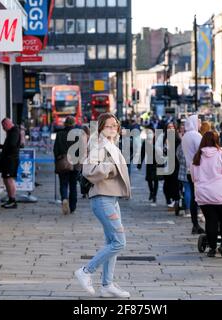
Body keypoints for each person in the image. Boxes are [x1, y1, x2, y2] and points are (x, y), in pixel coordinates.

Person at [75, 113, 131, 298]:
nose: (113, 128)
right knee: (119, 242)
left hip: (111, 199)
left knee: (112, 242)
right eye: (108, 126)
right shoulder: (97, 145)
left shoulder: (111, 145)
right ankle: (85, 271)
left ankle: (107, 285)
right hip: (102, 199)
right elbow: (88, 170)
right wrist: (108, 166)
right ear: (100, 128)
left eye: (115, 125)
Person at [191, 131, 222, 258]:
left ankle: (212, 248)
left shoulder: (197, 157)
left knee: (210, 221)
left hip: (204, 195)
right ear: (217, 141)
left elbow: (194, 178)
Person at [182, 115, 205, 234]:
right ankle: (197, 224)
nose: (200, 125)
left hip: (189, 170)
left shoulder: (185, 135)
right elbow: (202, 151)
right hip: (198, 170)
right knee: (200, 197)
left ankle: (195, 223)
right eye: (199, 122)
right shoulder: (196, 135)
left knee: (193, 198)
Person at [0, 118, 21, 209]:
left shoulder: (14, 132)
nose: (3, 129)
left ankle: (12, 200)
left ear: (7, 124)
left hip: (11, 160)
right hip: (9, 159)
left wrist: (3, 149)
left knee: (9, 179)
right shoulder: (12, 132)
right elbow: (9, 145)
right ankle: (10, 199)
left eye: (3, 126)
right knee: (6, 179)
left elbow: (11, 145)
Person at [53, 116, 79, 215]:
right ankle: (72, 207)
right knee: (73, 186)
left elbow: (55, 149)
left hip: (63, 162)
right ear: (74, 124)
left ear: (65, 124)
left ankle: (64, 198)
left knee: (63, 183)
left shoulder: (59, 134)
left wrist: (58, 158)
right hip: (75, 163)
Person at [138, 125, 160, 207]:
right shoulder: (145, 142)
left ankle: (155, 195)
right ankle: (151, 192)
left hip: (157, 163)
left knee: (156, 180)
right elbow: (142, 153)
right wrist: (139, 164)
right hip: (149, 163)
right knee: (149, 179)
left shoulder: (157, 141)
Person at [162, 121, 181, 211]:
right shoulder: (163, 139)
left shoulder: (177, 139)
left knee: (175, 183)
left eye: (172, 127)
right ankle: (169, 200)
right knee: (167, 183)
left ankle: (175, 200)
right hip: (166, 164)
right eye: (169, 127)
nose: (170, 129)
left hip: (175, 164)